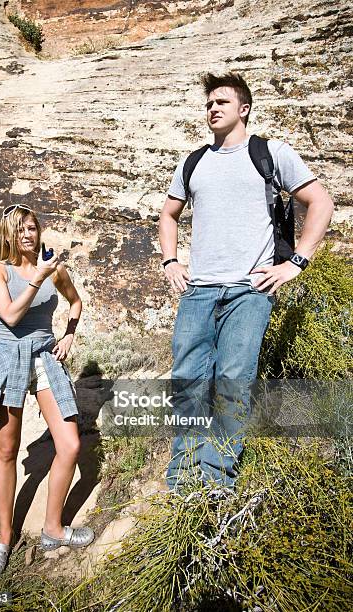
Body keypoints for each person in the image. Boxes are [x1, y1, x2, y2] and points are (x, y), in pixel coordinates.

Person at [159, 72, 334, 489]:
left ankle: (217, 481)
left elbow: (321, 202)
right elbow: (168, 214)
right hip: (198, 290)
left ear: (244, 109)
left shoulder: (270, 153)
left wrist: (296, 262)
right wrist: (170, 261)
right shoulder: (193, 161)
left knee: (234, 381)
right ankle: (182, 479)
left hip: (248, 290)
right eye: (208, 104)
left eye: (222, 102)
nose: (213, 108)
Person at [0, 204, 94, 581]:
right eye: (21, 229)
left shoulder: (52, 267)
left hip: (45, 358)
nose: (29, 235)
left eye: (33, 228)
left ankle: (53, 529)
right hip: (10, 358)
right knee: (7, 449)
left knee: (70, 445)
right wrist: (38, 276)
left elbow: (75, 301)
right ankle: (4, 540)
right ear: (9, 233)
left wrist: (69, 334)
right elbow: (9, 316)